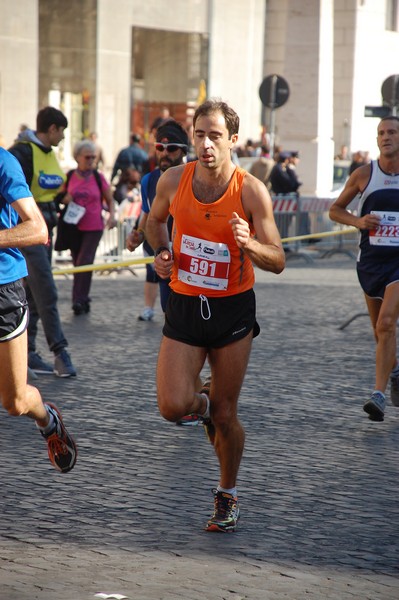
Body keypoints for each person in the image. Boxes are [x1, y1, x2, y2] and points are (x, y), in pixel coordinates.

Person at [146, 99, 285, 532]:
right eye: (200, 134)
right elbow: (154, 223)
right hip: (186, 303)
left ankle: (227, 493)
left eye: (216, 136)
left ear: (233, 141)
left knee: (227, 414)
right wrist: (163, 253)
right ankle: (201, 405)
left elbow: (278, 258)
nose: (206, 144)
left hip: (231, 310)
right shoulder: (173, 179)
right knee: (172, 406)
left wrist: (250, 245)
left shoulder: (249, 191)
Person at [0, 147, 77, 473]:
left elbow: (38, 229)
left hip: (3, 289)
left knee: (15, 401)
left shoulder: (4, 162)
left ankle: (48, 420)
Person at [329, 116, 399, 422]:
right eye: (381, 133)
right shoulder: (363, 175)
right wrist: (359, 221)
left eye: (392, 132)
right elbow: (335, 210)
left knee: (386, 325)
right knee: (378, 332)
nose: (386, 137)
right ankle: (395, 370)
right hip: (370, 263)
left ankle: (378, 395)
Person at [8, 106, 76, 377]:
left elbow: (47, 190)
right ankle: (60, 351)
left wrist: (60, 201)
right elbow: (16, 195)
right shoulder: (22, 153)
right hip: (28, 232)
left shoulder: (49, 154)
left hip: (46, 231)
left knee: (33, 295)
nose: (63, 137)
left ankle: (28, 353)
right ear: (52, 129)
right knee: (46, 290)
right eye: (62, 131)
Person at [126, 119, 190, 321]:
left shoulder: (195, 177)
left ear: (183, 151)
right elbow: (147, 215)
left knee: (191, 316)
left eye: (171, 148)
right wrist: (138, 235)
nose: (164, 153)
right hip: (164, 256)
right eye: (160, 148)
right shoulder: (149, 180)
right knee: (169, 311)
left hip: (190, 256)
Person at [56, 140, 117, 315]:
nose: (91, 160)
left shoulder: (99, 178)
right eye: (87, 157)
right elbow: (58, 196)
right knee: (77, 263)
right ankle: (83, 298)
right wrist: (64, 198)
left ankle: (78, 300)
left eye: (94, 157)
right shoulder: (69, 176)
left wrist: (112, 216)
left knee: (85, 261)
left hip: (93, 226)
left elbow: (110, 200)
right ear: (77, 158)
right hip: (73, 226)